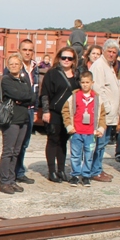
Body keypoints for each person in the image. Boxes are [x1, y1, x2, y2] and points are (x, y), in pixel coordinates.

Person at [39, 48, 79, 182]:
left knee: (63, 141)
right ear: (59, 58)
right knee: (53, 140)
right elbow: (45, 93)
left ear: (74, 60)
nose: (66, 60)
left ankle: (61, 170)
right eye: (64, 57)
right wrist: (46, 111)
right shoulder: (52, 74)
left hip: (70, 115)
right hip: (54, 112)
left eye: (70, 58)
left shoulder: (77, 74)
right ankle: (52, 171)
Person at [0, 54, 35, 193]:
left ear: (21, 66)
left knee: (16, 151)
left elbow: (32, 97)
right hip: (11, 120)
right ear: (8, 66)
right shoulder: (6, 80)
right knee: (8, 151)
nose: (14, 66)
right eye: (11, 64)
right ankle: (4, 181)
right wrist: (22, 97)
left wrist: (23, 98)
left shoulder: (25, 80)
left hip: (23, 119)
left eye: (16, 64)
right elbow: (18, 95)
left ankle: (12, 180)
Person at [62, 70, 106, 186]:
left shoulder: (97, 98)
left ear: (92, 82)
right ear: (80, 83)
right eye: (83, 82)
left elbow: (102, 114)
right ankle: (75, 175)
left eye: (87, 82)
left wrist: (101, 128)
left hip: (91, 133)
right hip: (76, 132)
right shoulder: (75, 96)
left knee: (88, 155)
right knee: (75, 155)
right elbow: (65, 110)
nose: (85, 84)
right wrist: (69, 126)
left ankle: (86, 175)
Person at [87, 40, 120, 183]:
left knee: (104, 142)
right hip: (103, 112)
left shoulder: (110, 66)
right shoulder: (99, 66)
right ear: (104, 51)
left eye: (114, 52)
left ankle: (98, 168)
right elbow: (98, 88)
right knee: (99, 143)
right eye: (109, 51)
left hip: (110, 113)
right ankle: (94, 170)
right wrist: (107, 107)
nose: (112, 54)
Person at [12, 38, 38, 184]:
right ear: (19, 51)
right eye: (25, 50)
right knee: (15, 144)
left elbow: (36, 89)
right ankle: (12, 173)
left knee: (25, 143)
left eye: (30, 50)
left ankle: (19, 172)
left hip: (30, 110)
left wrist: (36, 109)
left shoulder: (35, 68)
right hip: (18, 110)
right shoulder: (15, 66)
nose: (27, 53)